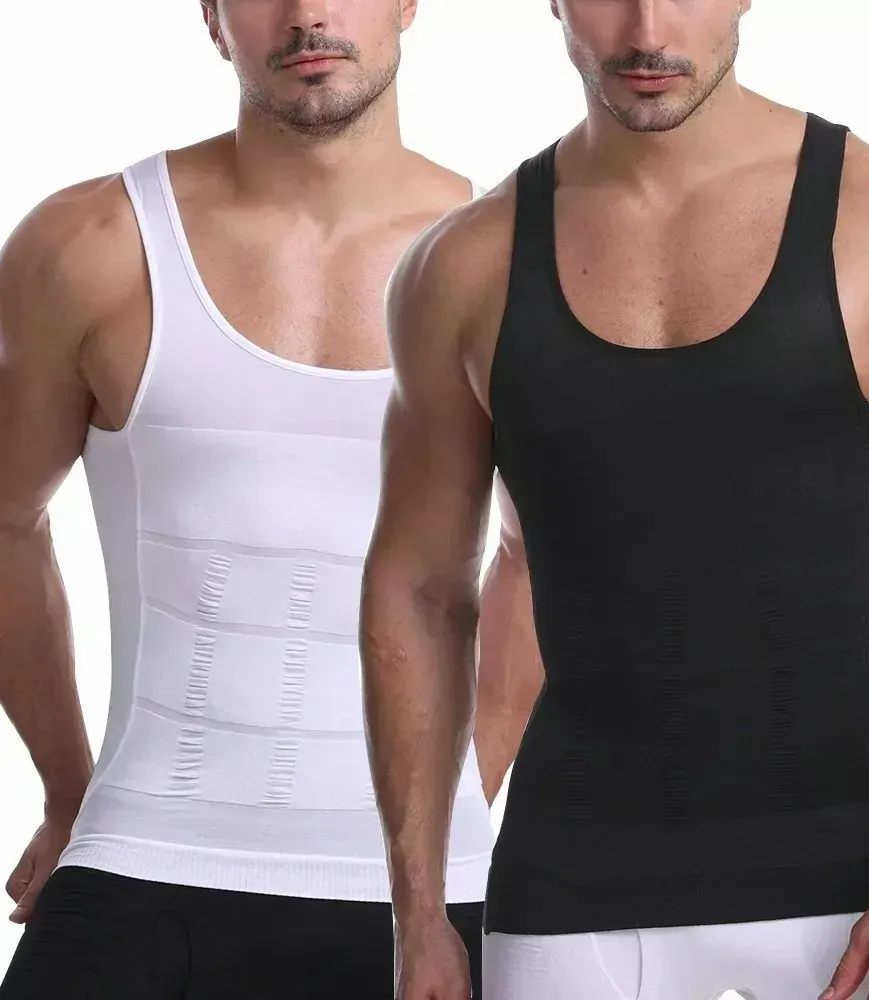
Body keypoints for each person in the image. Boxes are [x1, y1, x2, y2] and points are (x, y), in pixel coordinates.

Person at [359, 0, 869, 998]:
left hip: (864, 894)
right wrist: (419, 913)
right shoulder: (462, 266)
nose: (648, 29)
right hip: (569, 893)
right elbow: (420, 591)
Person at [0, 1, 542, 996]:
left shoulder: (513, 264)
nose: (308, 15)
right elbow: (4, 520)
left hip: (429, 907)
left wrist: (461, 792)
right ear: (211, 15)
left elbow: (544, 551)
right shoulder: (91, 244)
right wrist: (69, 788)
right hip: (141, 862)